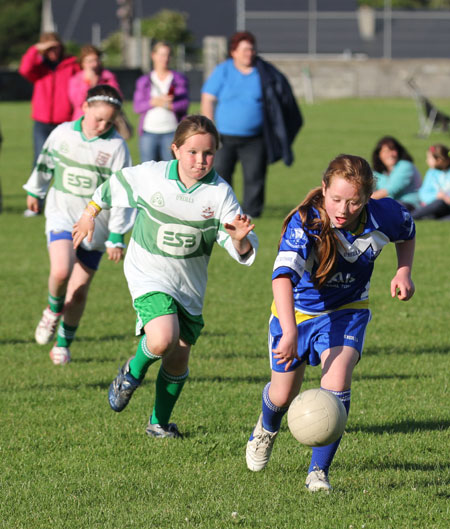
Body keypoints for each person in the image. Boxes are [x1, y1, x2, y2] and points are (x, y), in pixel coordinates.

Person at [72, 115, 258, 439]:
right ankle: (131, 372)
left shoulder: (219, 193)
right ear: (175, 150)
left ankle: (158, 424)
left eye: (208, 153)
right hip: (148, 272)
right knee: (161, 337)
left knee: (178, 358)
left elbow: (237, 245)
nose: (200, 161)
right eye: (192, 152)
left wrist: (240, 237)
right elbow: (111, 187)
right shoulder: (152, 176)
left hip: (189, 285)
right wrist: (89, 215)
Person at [245, 154, 415, 492]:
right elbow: (281, 278)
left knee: (336, 385)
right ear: (324, 189)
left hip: (347, 310)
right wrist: (290, 329)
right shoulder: (305, 222)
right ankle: (266, 428)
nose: (343, 209)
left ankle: (318, 472)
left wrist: (403, 271)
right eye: (336, 199)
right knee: (282, 394)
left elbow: (407, 232)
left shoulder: (386, 215)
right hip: (295, 313)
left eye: (354, 202)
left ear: (368, 199)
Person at [23, 85, 135, 366]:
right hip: (62, 214)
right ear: (84, 107)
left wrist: (118, 235)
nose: (102, 126)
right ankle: (52, 310)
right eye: (98, 119)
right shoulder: (62, 133)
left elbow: (123, 193)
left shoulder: (116, 146)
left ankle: (63, 344)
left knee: (78, 292)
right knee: (61, 270)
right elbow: (45, 163)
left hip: (97, 227)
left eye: (109, 122)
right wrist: (35, 190)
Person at [201, 31, 302, 218]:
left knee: (255, 177)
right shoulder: (223, 71)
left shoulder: (265, 72)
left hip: (255, 138)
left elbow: (280, 100)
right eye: (245, 49)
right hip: (224, 136)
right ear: (234, 52)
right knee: (221, 174)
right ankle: (221, 211)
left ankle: (252, 213)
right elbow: (208, 98)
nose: (250, 53)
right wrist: (210, 129)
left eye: (252, 49)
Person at [19, 32, 80, 166]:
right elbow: (25, 69)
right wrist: (35, 49)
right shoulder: (39, 68)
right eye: (48, 49)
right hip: (42, 121)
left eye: (55, 47)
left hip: (65, 120)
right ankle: (37, 188)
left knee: (67, 160)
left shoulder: (71, 64)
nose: (52, 51)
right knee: (40, 161)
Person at [133, 41, 189, 162]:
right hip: (149, 132)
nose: (165, 58)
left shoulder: (178, 79)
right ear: (153, 55)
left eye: (168, 55)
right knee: (148, 170)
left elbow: (184, 105)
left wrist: (167, 104)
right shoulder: (144, 80)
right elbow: (137, 107)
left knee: (170, 169)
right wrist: (153, 102)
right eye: (162, 54)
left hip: (172, 131)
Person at [68, 45, 121, 120]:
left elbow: (116, 98)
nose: (94, 65)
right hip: (83, 119)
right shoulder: (75, 80)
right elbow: (77, 102)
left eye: (96, 60)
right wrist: (87, 83)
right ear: (82, 63)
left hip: (105, 119)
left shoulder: (108, 77)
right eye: (90, 61)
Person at [371, 136, 422, 210]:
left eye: (393, 150)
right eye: (386, 151)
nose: (390, 154)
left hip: (408, 203)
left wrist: (364, 200)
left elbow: (391, 190)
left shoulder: (405, 166)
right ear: (379, 155)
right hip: (389, 202)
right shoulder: (379, 171)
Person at [412, 144, 450, 220]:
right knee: (438, 203)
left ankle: (413, 216)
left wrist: (446, 198)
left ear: (439, 160)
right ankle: (412, 216)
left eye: (429, 158)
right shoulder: (431, 173)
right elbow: (423, 193)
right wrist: (437, 196)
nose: (427, 160)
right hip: (435, 205)